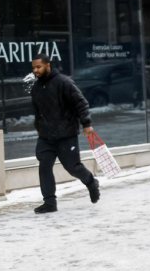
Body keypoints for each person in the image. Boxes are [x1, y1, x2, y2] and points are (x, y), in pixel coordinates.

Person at [30, 53, 100, 214]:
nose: (35, 70)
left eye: (38, 67)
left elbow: (81, 103)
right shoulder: (36, 88)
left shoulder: (64, 82)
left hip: (66, 135)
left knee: (73, 167)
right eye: (33, 68)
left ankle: (91, 182)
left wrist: (86, 124)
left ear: (48, 65)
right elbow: (37, 112)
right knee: (44, 167)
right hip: (46, 137)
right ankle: (49, 203)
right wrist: (39, 127)